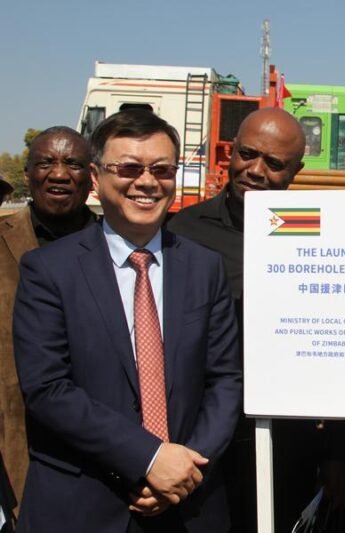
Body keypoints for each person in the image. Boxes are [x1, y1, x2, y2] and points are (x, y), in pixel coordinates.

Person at [13, 109, 241, 532]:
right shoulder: (48, 270)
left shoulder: (204, 268)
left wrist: (185, 469)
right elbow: (47, 388)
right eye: (129, 168)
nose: (148, 181)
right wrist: (150, 458)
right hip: (83, 506)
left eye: (162, 169)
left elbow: (225, 380)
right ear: (97, 179)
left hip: (189, 505)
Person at [170, 107, 345, 533]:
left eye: (273, 163)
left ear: (297, 170)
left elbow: (343, 348)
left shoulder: (319, 232)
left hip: (289, 438)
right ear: (230, 152)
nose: (254, 170)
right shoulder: (184, 231)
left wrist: (338, 452)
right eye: (247, 154)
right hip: (200, 438)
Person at [0, 127, 96, 516]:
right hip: (13, 439)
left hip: (96, 439)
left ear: (91, 175)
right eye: (46, 163)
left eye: (72, 163)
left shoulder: (119, 247)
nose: (59, 173)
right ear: (27, 176)